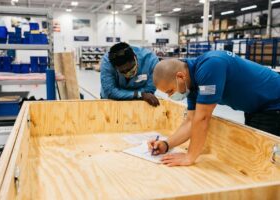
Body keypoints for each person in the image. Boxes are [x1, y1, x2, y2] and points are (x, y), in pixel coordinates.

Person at [148, 50, 280, 166]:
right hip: (255, 108)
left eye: (170, 90)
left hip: (274, 103)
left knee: (266, 161)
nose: (171, 96)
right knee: (256, 156)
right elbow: (191, 121)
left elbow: (203, 118)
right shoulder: (192, 83)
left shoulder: (210, 66)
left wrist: (190, 157)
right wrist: (166, 145)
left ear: (180, 76)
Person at [100, 42, 160, 107]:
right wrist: (138, 94)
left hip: (141, 102)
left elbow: (149, 90)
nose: (127, 73)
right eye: (122, 71)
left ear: (135, 58)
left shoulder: (151, 61)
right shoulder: (107, 62)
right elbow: (110, 91)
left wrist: (122, 94)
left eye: (129, 69)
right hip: (112, 100)